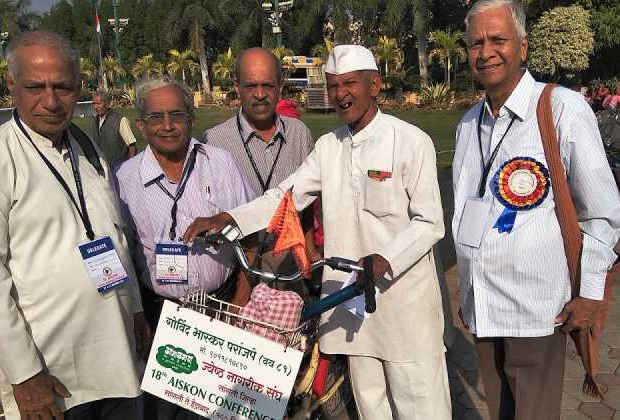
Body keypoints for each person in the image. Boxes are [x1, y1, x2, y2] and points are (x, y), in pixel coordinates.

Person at [183, 44, 451, 420]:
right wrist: (230, 218)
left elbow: (430, 222)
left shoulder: (411, 141)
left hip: (403, 301)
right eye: (334, 85)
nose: (341, 93)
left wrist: (385, 257)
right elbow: (284, 197)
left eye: (351, 84)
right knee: (371, 405)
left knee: (420, 406)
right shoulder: (329, 146)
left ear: (375, 85)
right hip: (349, 302)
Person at [0, 31, 148, 420]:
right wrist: (25, 376)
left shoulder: (84, 147)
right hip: (52, 373)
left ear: (80, 86)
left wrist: (136, 309)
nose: (52, 101)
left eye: (63, 87)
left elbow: (113, 234)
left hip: (118, 356)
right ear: (11, 85)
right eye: (36, 87)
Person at [454, 2, 620, 419]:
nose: (486, 52)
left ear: (523, 47)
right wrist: (467, 290)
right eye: (476, 42)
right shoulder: (468, 123)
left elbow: (603, 213)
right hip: (484, 308)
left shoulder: (560, 108)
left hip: (536, 309)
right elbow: (463, 210)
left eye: (498, 40)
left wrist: (590, 293)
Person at [115, 75, 254, 419]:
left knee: (226, 411)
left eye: (176, 115)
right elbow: (123, 257)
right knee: (169, 413)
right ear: (140, 126)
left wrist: (241, 297)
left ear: (191, 119)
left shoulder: (219, 163)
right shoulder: (123, 178)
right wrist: (137, 315)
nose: (167, 126)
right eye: (155, 118)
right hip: (160, 313)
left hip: (222, 308)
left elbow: (253, 233)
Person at [204, 47, 319, 275]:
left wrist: (310, 249)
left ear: (279, 87)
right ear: (237, 87)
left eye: (267, 85)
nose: (259, 94)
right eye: (251, 86)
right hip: (236, 268)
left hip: (289, 266)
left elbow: (306, 201)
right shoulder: (213, 141)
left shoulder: (299, 134)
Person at [92, 90, 138, 167]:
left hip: (121, 168)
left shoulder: (120, 120)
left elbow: (132, 145)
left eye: (99, 104)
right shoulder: (95, 121)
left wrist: (131, 167)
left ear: (107, 104)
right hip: (104, 169)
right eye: (94, 104)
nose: (95, 107)